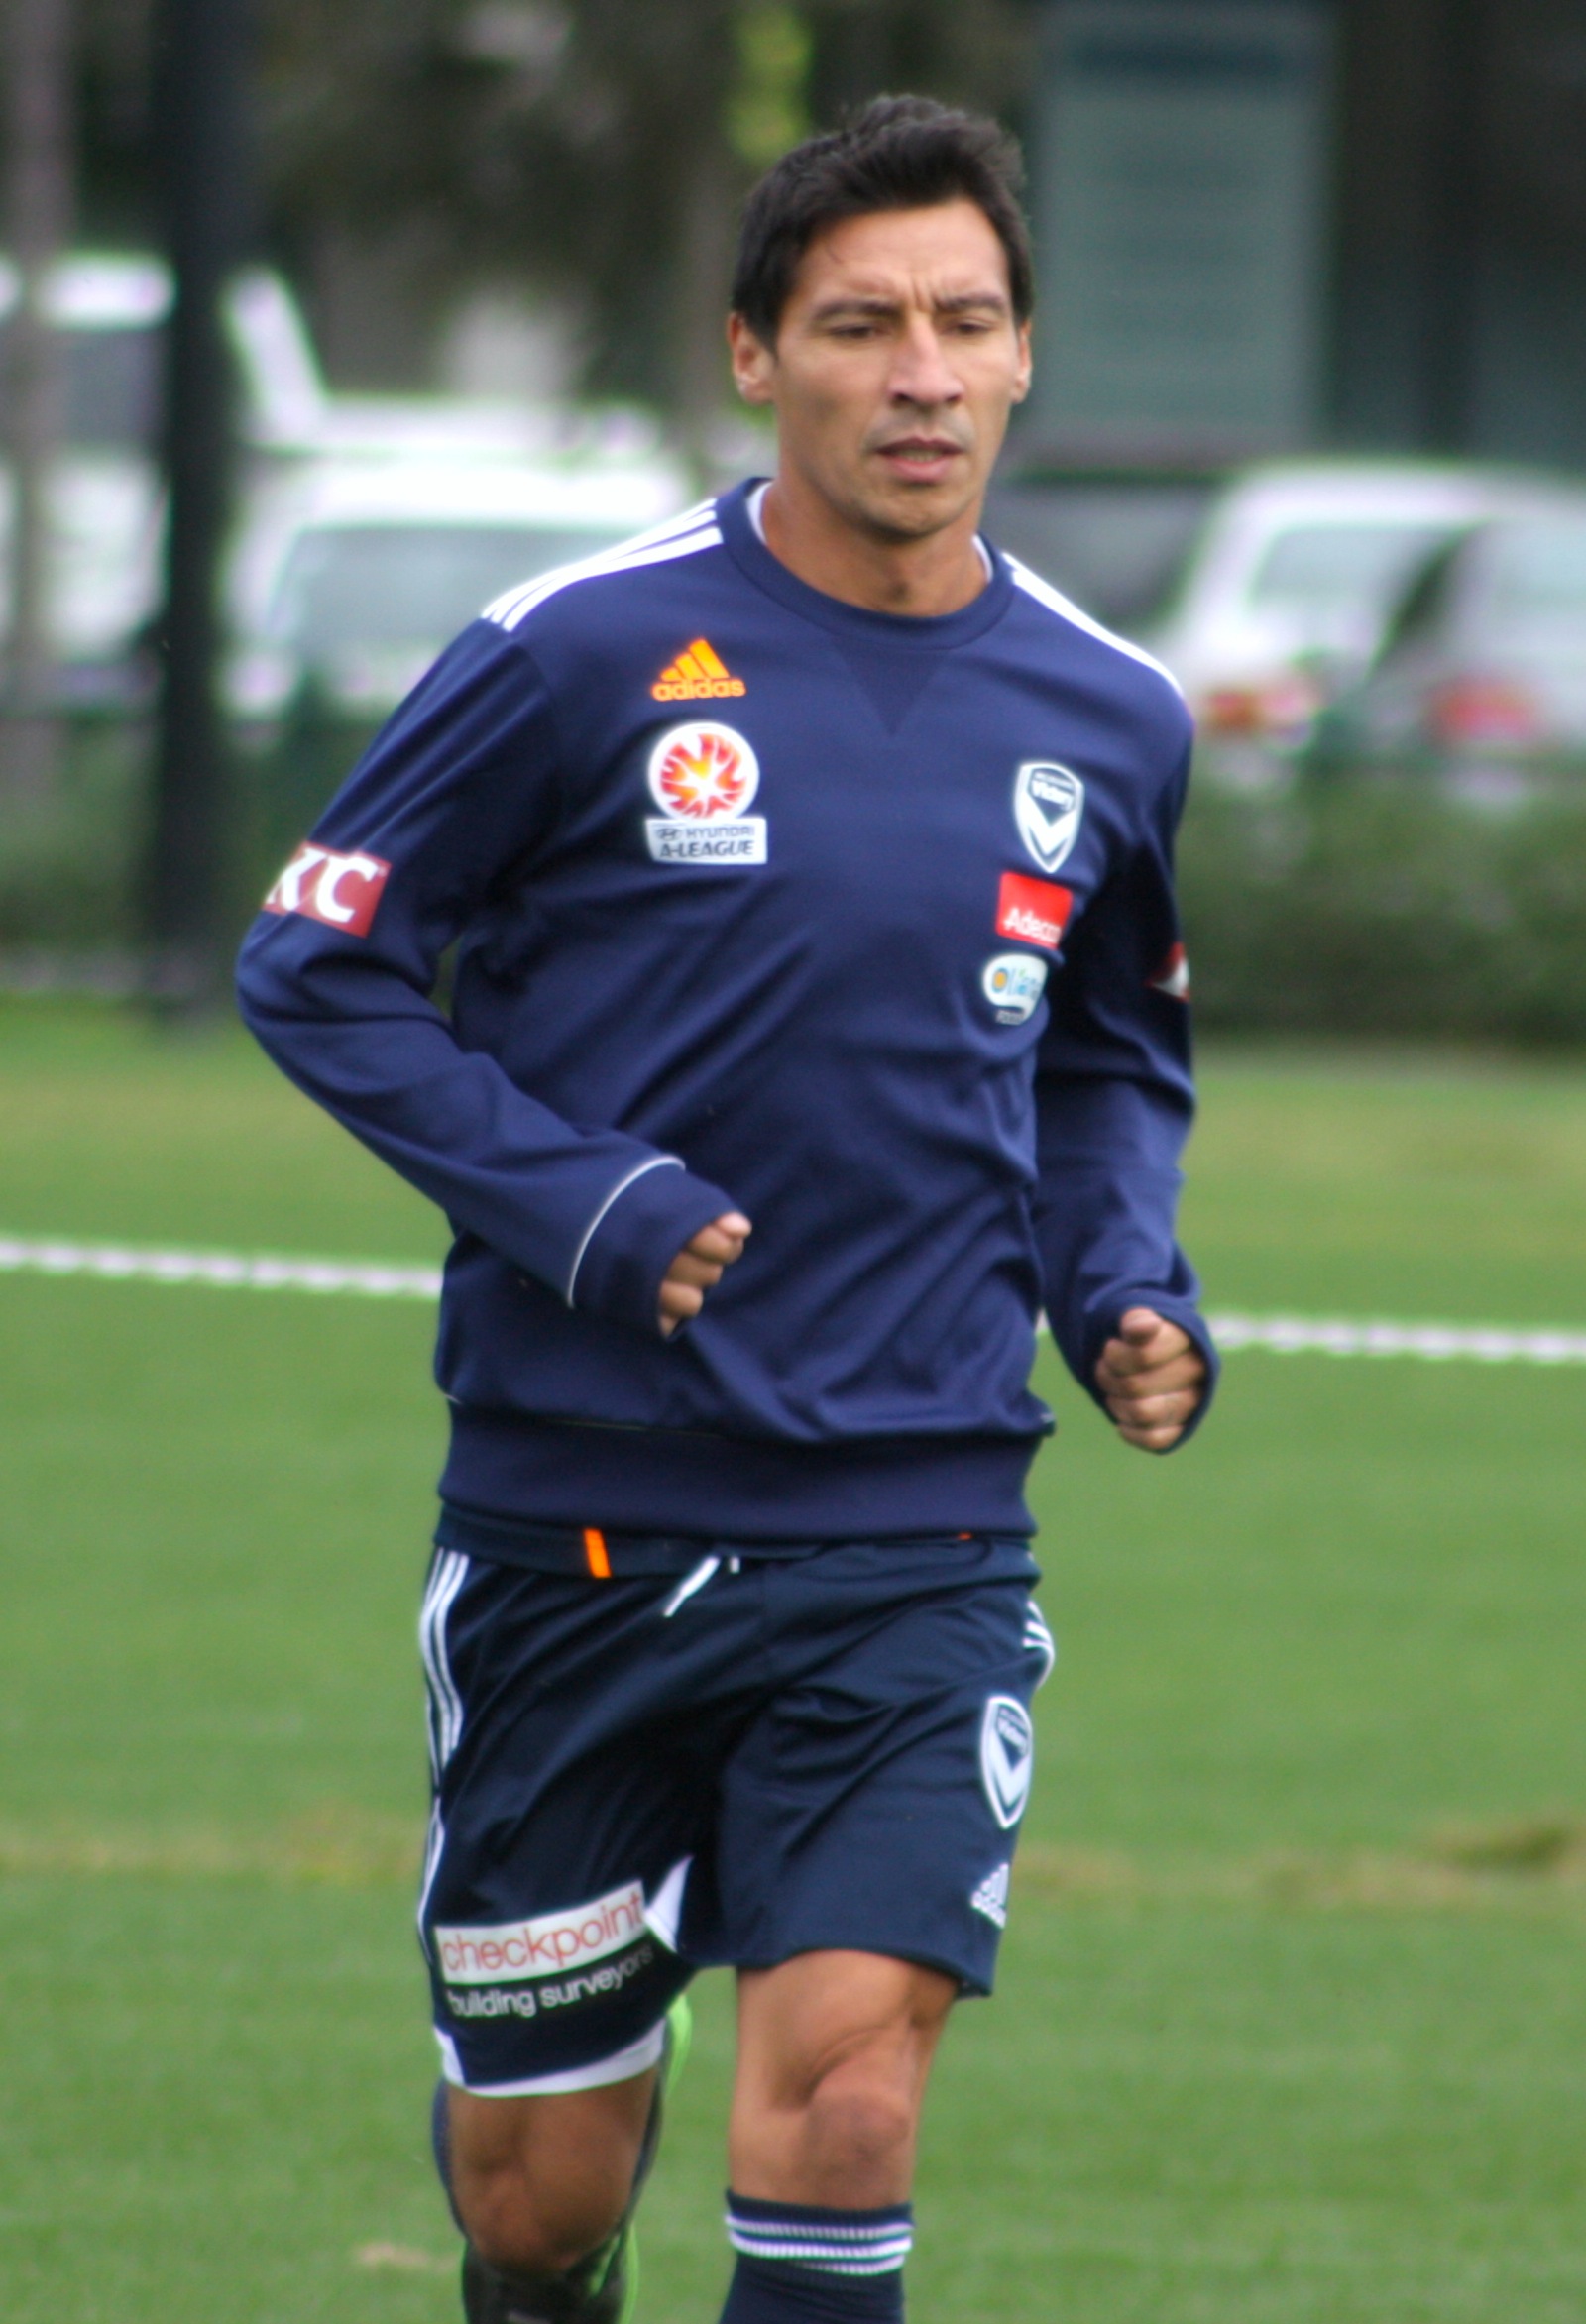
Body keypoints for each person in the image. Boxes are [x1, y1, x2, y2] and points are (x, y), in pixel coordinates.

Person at [237, 93, 1213, 2324]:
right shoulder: (572, 653)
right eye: (860, 324)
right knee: (538, 2195)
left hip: (918, 1525)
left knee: (846, 2112)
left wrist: (1120, 1281)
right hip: (576, 1527)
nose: (920, 373)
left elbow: (1099, 1051)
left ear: (1025, 356)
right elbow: (318, 958)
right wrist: (582, 1203)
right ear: (755, 352)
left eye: (965, 321)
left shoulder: (1112, 711)